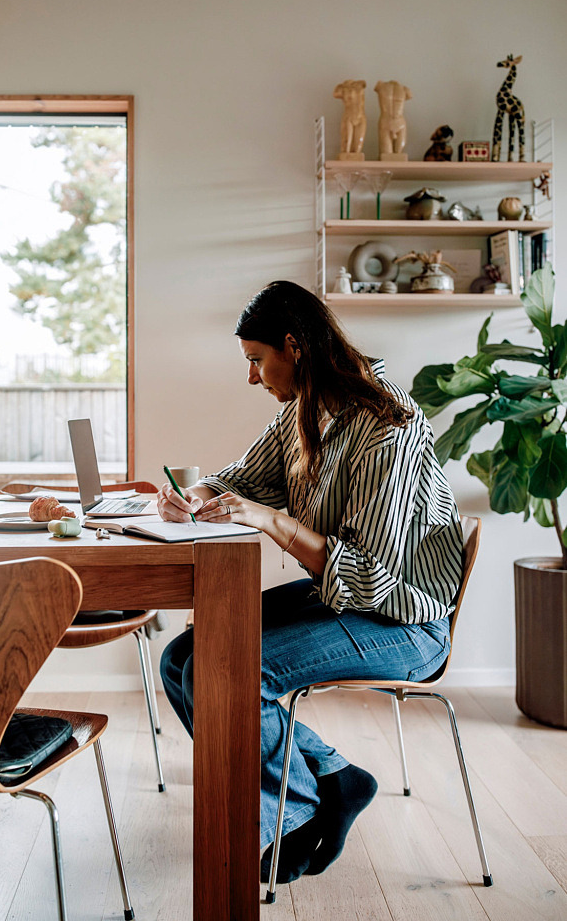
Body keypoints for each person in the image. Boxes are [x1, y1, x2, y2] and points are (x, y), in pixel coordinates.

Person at [158, 280, 463, 885]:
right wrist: (195, 497)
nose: (251, 376)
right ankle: (331, 778)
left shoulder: (387, 426)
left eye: (255, 360)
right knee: (182, 659)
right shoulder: (305, 410)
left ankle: (292, 818)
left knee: (233, 670)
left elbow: (373, 577)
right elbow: (242, 481)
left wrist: (271, 521)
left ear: (293, 347)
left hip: (403, 621)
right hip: (340, 603)